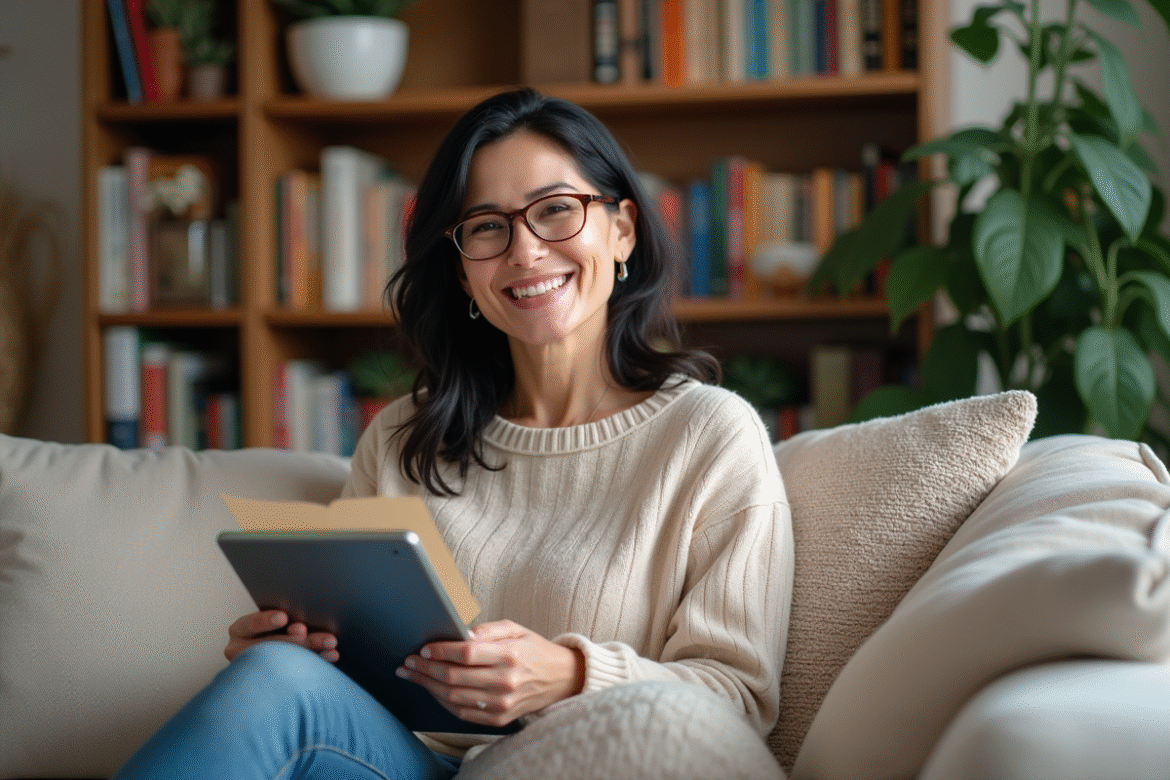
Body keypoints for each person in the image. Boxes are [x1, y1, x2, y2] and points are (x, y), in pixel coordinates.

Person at [114, 88, 793, 780]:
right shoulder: (401, 438)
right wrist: (300, 655)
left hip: (575, 765)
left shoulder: (709, 435)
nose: (525, 250)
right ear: (464, 272)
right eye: (487, 226)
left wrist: (568, 675)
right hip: (402, 764)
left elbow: (739, 700)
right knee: (273, 676)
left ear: (622, 230)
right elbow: (358, 677)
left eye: (556, 209)